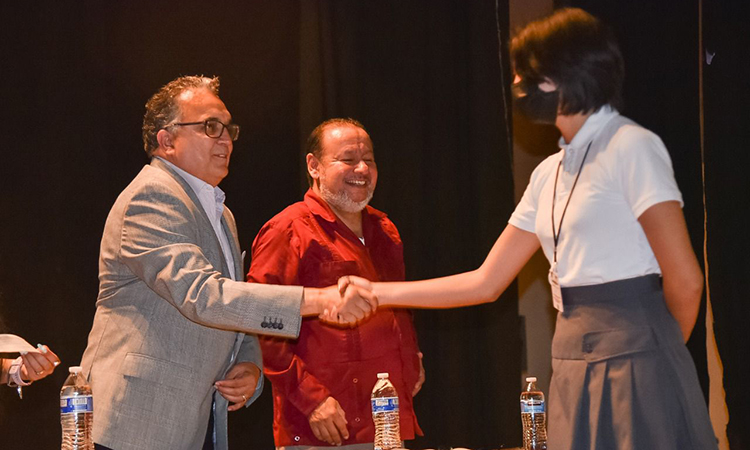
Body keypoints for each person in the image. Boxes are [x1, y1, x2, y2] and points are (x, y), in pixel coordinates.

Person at [339, 8, 718, 450]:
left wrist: (656, 356)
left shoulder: (631, 147)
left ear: (565, 75)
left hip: (638, 356)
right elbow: (485, 281)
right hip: (570, 355)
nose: (518, 85)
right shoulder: (548, 173)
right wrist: (376, 292)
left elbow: (686, 281)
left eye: (526, 75)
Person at [79, 76, 376, 450]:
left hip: (194, 419)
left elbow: (234, 304)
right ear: (167, 140)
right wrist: (320, 299)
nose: (226, 140)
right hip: (136, 422)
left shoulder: (221, 214)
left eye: (228, 129)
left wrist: (250, 366)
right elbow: (204, 295)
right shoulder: (151, 196)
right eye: (210, 127)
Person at [247, 118, 424, 450]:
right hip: (325, 426)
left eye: (368, 159)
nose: (362, 169)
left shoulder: (384, 229)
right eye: (348, 159)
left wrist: (410, 357)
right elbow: (260, 321)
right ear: (314, 166)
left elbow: (397, 306)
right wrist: (311, 399)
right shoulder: (288, 229)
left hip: (386, 419)